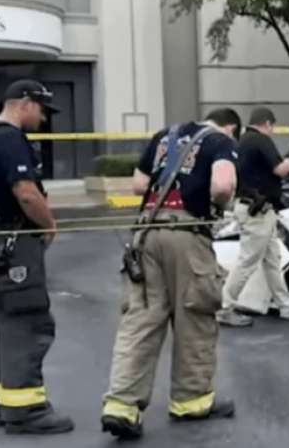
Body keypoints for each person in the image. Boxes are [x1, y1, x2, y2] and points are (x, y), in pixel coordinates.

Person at [100, 108, 242, 441]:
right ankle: (191, 401)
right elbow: (223, 185)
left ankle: (121, 405)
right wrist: (218, 205)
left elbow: (139, 185)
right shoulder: (221, 142)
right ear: (231, 128)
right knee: (196, 314)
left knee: (141, 318)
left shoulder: (165, 136)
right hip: (187, 235)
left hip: (146, 233)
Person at [0, 80, 73, 435]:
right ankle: (25, 409)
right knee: (26, 320)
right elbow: (26, 193)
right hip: (12, 238)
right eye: (41, 109)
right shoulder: (10, 139)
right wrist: (48, 224)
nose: (43, 117)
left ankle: (0, 401)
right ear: (25, 103)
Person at [216, 107, 289, 327]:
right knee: (248, 261)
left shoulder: (244, 141)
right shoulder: (261, 140)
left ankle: (287, 305)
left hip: (253, 208)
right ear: (267, 123)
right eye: (273, 126)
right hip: (258, 210)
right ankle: (224, 307)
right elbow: (279, 170)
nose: (273, 131)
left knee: (271, 259)